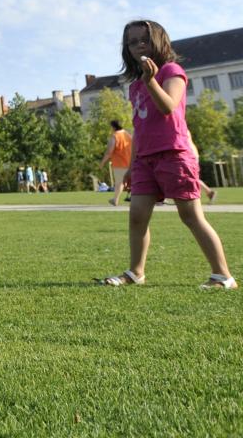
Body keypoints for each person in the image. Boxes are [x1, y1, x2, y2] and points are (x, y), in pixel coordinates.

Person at [101, 20, 237, 289]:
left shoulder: (171, 71)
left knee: (190, 216)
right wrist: (130, 165)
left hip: (173, 155)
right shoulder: (135, 86)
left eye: (145, 39)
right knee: (137, 215)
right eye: (132, 41)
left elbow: (168, 107)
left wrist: (151, 81)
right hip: (144, 160)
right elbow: (139, 127)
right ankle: (135, 272)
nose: (139, 44)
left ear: (160, 41)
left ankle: (223, 276)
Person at [99, 120, 132, 206]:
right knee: (130, 182)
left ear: (114, 127)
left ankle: (115, 200)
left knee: (119, 183)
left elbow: (109, 152)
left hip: (120, 163)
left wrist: (102, 163)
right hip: (130, 162)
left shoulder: (115, 136)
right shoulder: (127, 134)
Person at [187, 130, 217, 204]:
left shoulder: (181, 129)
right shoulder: (184, 128)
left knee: (190, 177)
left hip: (189, 155)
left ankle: (209, 192)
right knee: (191, 177)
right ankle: (209, 192)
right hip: (192, 154)